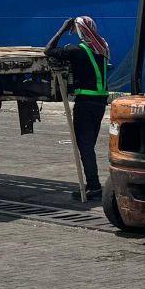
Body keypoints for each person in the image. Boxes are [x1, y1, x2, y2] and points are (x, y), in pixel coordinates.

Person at [45, 15, 109, 202]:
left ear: (79, 31)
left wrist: (63, 29)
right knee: (89, 145)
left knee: (85, 146)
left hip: (85, 104)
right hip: (100, 103)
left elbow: (48, 50)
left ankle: (94, 186)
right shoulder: (102, 48)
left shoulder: (75, 50)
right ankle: (92, 184)